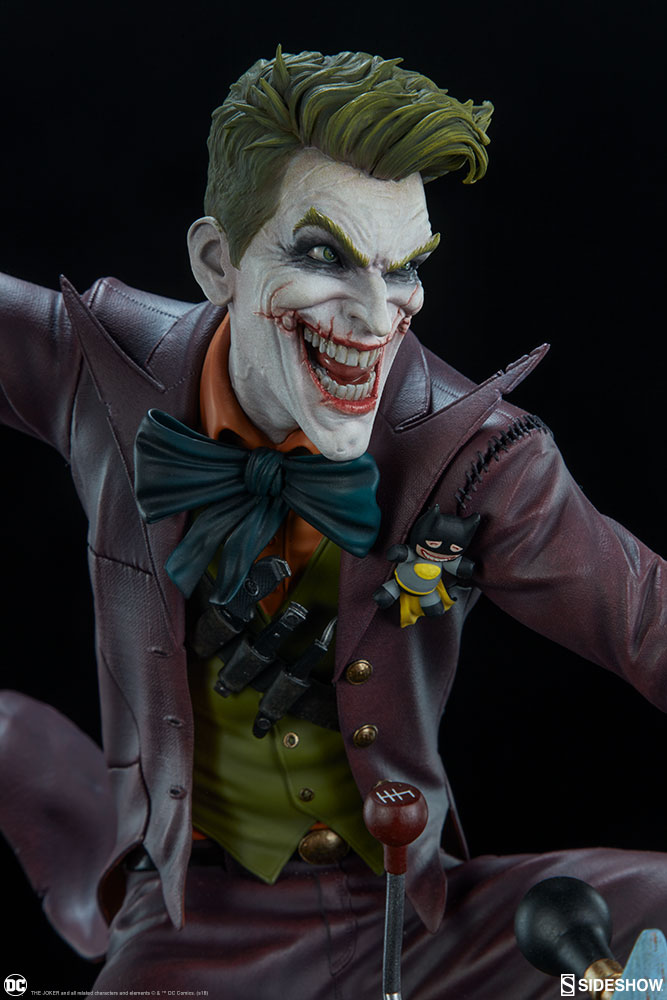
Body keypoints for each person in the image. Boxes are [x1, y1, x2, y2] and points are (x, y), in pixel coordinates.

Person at [1, 47, 665, 999]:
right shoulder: (105, 368)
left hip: (410, 912)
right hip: (194, 919)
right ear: (218, 262)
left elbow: (645, 619)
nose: (376, 315)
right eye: (323, 256)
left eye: (405, 269)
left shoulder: (475, 455)